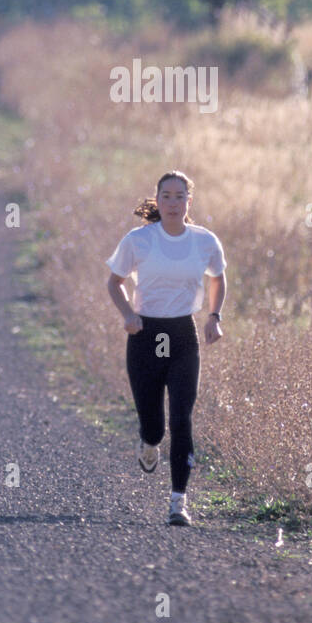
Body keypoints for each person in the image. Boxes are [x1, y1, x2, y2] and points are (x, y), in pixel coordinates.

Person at [105, 170, 226, 526]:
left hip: (182, 335)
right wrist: (128, 313)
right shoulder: (139, 240)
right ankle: (148, 441)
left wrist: (214, 316)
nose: (173, 203)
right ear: (156, 200)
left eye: (180, 196)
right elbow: (114, 283)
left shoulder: (205, 242)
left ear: (190, 201)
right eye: (166, 196)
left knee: (182, 419)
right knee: (155, 426)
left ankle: (178, 502)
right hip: (146, 334)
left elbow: (218, 278)